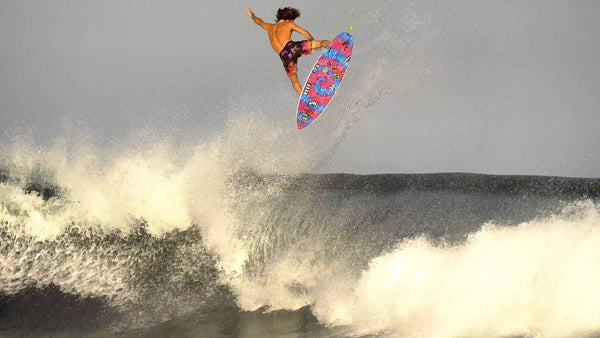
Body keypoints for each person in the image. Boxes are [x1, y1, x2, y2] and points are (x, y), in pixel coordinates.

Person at [246, 6, 330, 94]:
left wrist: (252, 15)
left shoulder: (269, 27)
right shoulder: (288, 24)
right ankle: (333, 46)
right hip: (292, 47)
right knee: (320, 43)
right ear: (288, 19)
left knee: (294, 80)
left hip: (284, 56)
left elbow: (259, 22)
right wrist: (312, 41)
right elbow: (304, 32)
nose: (292, 21)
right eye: (292, 19)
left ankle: (304, 97)